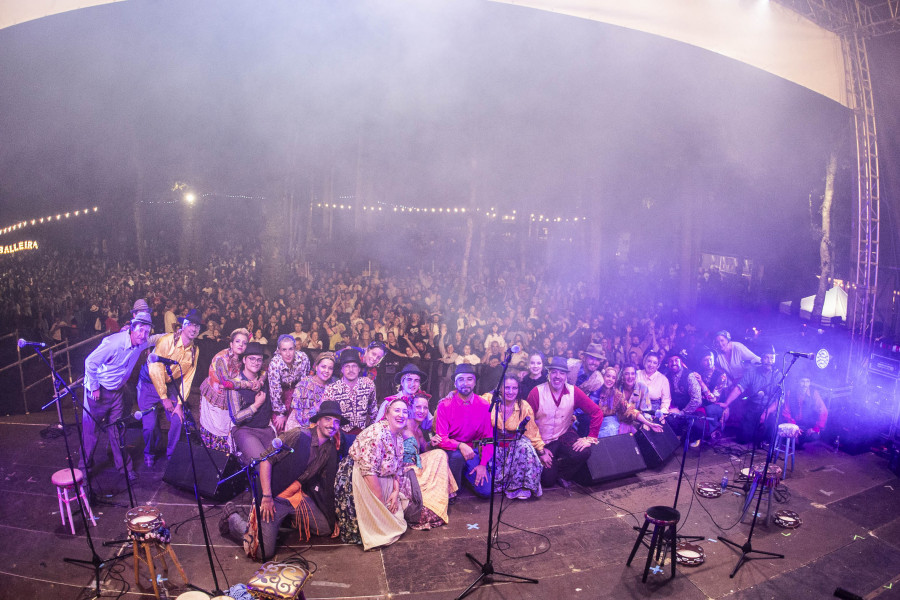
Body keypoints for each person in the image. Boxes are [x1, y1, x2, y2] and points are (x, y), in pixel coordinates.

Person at [221, 400, 343, 560]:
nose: (332, 425)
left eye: (336, 422)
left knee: (325, 529)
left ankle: (285, 520)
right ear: (318, 421)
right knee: (262, 552)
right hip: (274, 497)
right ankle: (232, 517)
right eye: (328, 419)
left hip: (297, 497)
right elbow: (265, 460)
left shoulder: (329, 448)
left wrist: (332, 518)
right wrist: (266, 497)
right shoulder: (299, 435)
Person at [80, 311, 160, 481]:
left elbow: (155, 339)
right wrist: (94, 387)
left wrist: (177, 334)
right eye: (140, 330)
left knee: (117, 430)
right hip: (98, 392)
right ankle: (84, 469)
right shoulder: (113, 343)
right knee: (90, 433)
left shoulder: (141, 342)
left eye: (147, 331)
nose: (143, 335)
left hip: (117, 392)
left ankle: (124, 467)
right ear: (131, 328)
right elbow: (90, 362)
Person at [335, 398, 418, 550]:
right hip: (361, 474)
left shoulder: (398, 437)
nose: (401, 415)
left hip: (382, 475)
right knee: (382, 523)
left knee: (396, 515)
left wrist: (395, 491)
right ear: (387, 414)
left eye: (405, 411)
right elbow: (368, 471)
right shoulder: (376, 434)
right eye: (397, 410)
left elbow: (397, 469)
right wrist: (380, 505)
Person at [137, 309, 202, 467]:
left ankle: (171, 454)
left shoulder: (194, 351)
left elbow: (188, 378)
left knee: (178, 419)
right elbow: (155, 368)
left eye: (197, 326)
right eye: (191, 325)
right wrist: (164, 398)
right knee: (149, 427)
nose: (194, 329)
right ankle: (149, 452)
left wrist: (179, 404)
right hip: (148, 383)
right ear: (184, 325)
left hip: (169, 384)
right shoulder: (166, 341)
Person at [526, 357, 602, 489]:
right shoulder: (536, 392)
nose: (557, 376)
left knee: (584, 451)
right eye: (554, 372)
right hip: (542, 440)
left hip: (563, 435)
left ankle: (562, 473)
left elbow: (597, 412)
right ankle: (551, 468)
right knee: (547, 481)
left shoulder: (574, 392)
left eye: (562, 373)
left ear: (566, 375)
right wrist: (540, 450)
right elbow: (527, 423)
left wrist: (591, 438)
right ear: (548, 374)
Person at [434, 364, 494, 498]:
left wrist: (483, 464)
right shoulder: (445, 405)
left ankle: (464, 475)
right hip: (451, 451)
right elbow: (442, 438)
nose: (465, 383)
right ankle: (455, 487)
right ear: (455, 383)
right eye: (461, 379)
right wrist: (460, 445)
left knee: (486, 492)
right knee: (457, 457)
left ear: (474, 382)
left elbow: (488, 438)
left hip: (472, 453)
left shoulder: (484, 405)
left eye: (469, 379)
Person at [197, 328, 261, 452]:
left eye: (244, 343)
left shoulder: (243, 358)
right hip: (214, 398)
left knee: (228, 429)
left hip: (230, 397)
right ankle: (211, 457)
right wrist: (248, 384)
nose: (241, 345)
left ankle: (226, 460)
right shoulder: (221, 358)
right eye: (237, 341)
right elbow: (226, 382)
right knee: (215, 429)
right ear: (231, 344)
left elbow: (263, 369)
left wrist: (260, 380)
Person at [401, 395, 458, 529]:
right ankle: (433, 500)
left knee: (439, 454)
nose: (422, 411)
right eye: (418, 407)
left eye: (425, 408)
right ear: (410, 408)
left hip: (416, 464)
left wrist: (431, 443)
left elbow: (425, 450)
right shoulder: (403, 426)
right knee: (439, 455)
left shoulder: (419, 431)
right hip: (405, 470)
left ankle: (440, 495)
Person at [489, 376, 544, 500]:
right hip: (495, 443)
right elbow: (473, 399)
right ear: (500, 389)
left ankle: (521, 487)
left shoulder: (524, 406)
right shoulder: (490, 400)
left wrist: (542, 451)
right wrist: (452, 393)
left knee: (524, 446)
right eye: (507, 387)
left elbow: (532, 432)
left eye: (514, 388)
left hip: (514, 444)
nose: (510, 391)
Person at [722, 345, 782, 445]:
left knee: (766, 438)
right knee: (743, 438)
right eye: (766, 357)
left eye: (772, 358)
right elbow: (739, 388)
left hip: (770, 410)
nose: (769, 361)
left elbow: (779, 399)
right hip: (753, 408)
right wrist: (726, 403)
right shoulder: (752, 372)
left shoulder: (778, 375)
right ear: (761, 359)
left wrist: (766, 413)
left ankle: (764, 435)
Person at [228, 342, 275, 464]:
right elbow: (236, 418)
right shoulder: (236, 384)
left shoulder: (265, 379)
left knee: (278, 463)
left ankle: (245, 463)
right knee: (262, 463)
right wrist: (256, 405)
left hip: (266, 430)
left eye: (259, 360)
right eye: (252, 359)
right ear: (244, 359)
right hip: (245, 430)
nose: (255, 362)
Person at [324, 348, 377, 448]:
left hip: (363, 434)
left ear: (359, 368)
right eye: (347, 366)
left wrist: (373, 434)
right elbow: (327, 417)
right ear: (341, 369)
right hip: (340, 436)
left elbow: (373, 411)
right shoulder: (332, 389)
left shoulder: (368, 384)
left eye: (354, 366)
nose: (351, 370)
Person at [267, 335, 310, 434]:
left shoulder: (303, 358)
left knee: (299, 427)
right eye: (284, 350)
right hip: (281, 395)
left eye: (291, 349)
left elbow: (304, 380)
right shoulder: (274, 364)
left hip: (297, 392)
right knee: (280, 426)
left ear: (295, 348)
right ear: (279, 351)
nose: (288, 353)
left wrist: (301, 403)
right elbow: (275, 390)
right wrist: (280, 413)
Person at [285, 352, 336, 431]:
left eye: (330, 368)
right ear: (316, 367)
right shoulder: (303, 385)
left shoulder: (334, 384)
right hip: (300, 428)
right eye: (323, 367)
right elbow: (300, 419)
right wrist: (318, 407)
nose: (326, 371)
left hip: (324, 429)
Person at [663, 352, 705, 446]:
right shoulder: (667, 375)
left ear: (681, 362)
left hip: (692, 410)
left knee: (697, 425)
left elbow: (697, 400)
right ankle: (677, 437)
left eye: (676, 360)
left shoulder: (689, 376)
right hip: (676, 408)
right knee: (667, 419)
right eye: (670, 361)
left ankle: (690, 437)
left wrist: (682, 412)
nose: (673, 363)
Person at [781, 376, 828, 448]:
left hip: (808, 426)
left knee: (815, 436)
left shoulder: (814, 393)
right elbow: (786, 411)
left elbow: (823, 411)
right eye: (802, 381)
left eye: (807, 382)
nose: (805, 385)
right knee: (790, 438)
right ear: (798, 382)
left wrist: (815, 428)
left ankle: (799, 442)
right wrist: (794, 427)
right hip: (794, 424)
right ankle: (797, 442)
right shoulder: (790, 393)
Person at [613, 364, 655, 435]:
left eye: (632, 374)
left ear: (635, 375)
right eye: (627, 374)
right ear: (622, 376)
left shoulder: (642, 387)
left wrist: (646, 423)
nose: (630, 377)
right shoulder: (617, 387)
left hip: (637, 421)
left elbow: (646, 411)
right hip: (619, 420)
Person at [636, 351, 671, 416]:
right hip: (636, 407)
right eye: (649, 361)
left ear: (658, 365)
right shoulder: (637, 374)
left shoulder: (663, 379)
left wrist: (661, 414)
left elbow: (666, 401)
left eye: (655, 363)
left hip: (653, 410)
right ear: (645, 362)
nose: (651, 365)